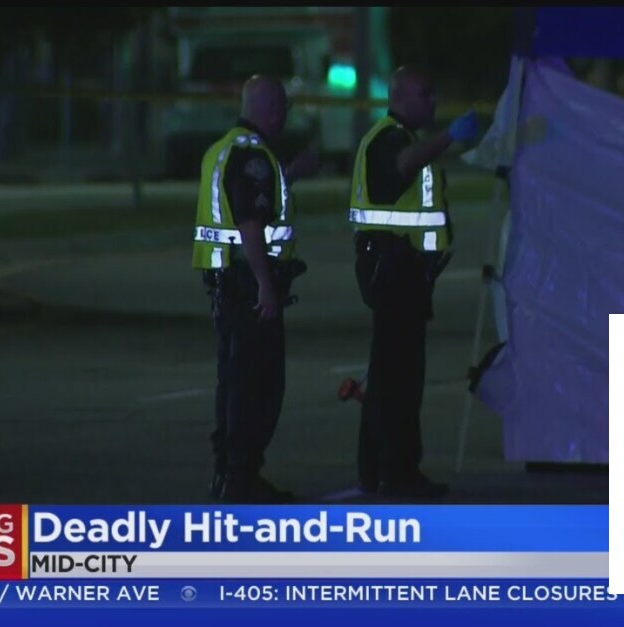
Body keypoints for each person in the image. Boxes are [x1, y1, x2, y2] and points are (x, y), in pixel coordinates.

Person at [348, 67, 479, 499]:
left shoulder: (398, 137)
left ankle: (381, 470)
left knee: (390, 376)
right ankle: (396, 472)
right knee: (398, 380)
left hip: (402, 271)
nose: (433, 101)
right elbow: (404, 165)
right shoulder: (391, 139)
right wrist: (449, 137)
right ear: (401, 97)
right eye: (425, 93)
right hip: (394, 271)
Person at [193, 75, 318, 504]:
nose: (286, 116)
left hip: (228, 284)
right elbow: (249, 224)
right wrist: (266, 285)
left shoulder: (224, 149)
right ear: (272, 110)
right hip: (249, 285)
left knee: (233, 383)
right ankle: (242, 477)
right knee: (258, 387)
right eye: (283, 107)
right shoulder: (254, 155)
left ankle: (228, 474)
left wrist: (290, 174)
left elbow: (240, 204)